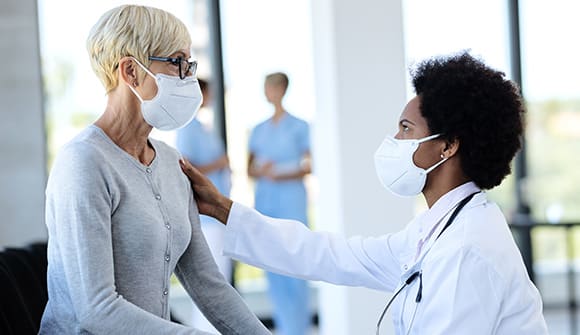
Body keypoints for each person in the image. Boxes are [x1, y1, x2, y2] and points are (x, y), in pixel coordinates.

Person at [180, 53, 549, 334]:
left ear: (448, 145)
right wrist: (225, 209)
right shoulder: (437, 231)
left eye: (406, 128)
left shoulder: (468, 248)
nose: (394, 141)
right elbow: (335, 255)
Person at [39, 5, 270, 335]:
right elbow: (97, 310)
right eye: (177, 63)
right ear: (131, 71)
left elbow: (209, 285)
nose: (188, 79)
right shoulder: (83, 162)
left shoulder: (171, 164)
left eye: (190, 66)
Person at [245, 72, 312, 335]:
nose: (268, 92)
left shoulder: (300, 126)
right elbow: (250, 169)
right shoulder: (258, 130)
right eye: (265, 88)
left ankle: (298, 329)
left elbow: (309, 165)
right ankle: (283, 329)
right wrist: (264, 171)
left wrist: (282, 171)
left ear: (282, 89)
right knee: (272, 265)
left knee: (295, 264)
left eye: (271, 87)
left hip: (291, 202)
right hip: (266, 203)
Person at [176, 78, 234, 333]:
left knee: (220, 282)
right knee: (212, 284)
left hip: (219, 217)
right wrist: (219, 164)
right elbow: (186, 167)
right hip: (206, 218)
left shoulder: (202, 127)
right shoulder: (188, 128)